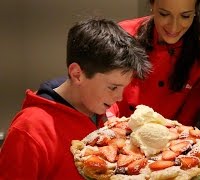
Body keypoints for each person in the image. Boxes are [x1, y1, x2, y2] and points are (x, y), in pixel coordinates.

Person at [0, 18, 151, 179]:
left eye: (123, 87)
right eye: (113, 87)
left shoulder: (106, 109)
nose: (120, 97)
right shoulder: (30, 129)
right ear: (77, 74)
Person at [108, 0, 200, 126]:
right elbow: (103, 87)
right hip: (114, 131)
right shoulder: (123, 34)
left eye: (185, 16)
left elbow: (185, 125)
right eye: (164, 14)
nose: (173, 27)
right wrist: (111, 121)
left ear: (195, 12)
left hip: (166, 140)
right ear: (152, 6)